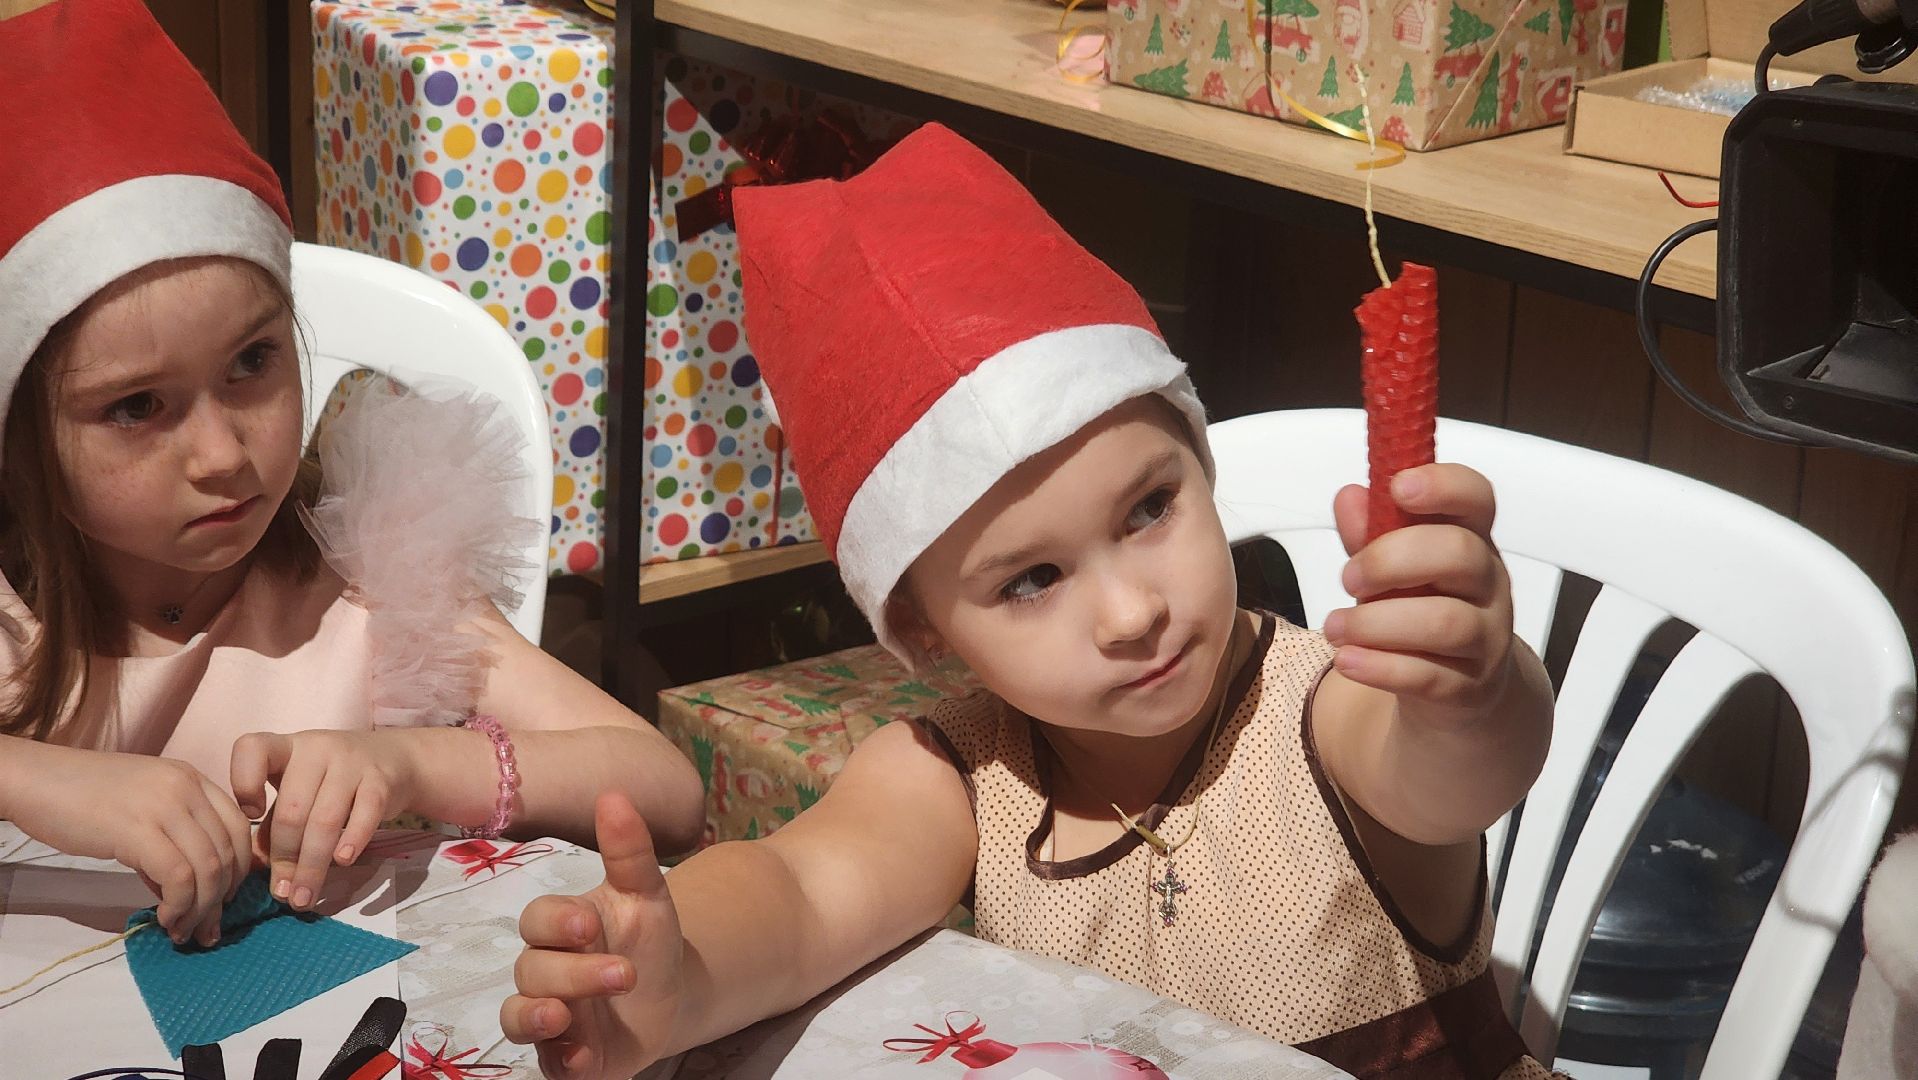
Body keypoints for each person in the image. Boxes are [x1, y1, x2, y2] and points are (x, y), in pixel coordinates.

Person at [505, 124, 1559, 1079]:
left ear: (1199, 463)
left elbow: (1449, 777)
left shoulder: (1327, 717)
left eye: (1149, 508)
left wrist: (1464, 693)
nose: (1129, 613)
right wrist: (676, 972)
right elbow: (798, 894)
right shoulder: (961, 775)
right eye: (1031, 579)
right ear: (921, 629)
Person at [0, 0, 703, 952]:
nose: (221, 455)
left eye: (252, 363)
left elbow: (665, 788)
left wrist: (415, 764)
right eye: (137, 407)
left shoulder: (373, 588)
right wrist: (41, 781)